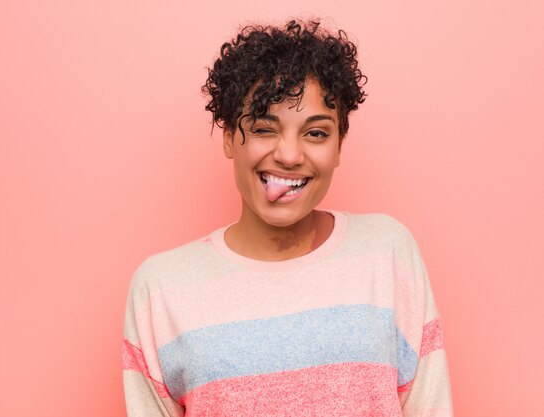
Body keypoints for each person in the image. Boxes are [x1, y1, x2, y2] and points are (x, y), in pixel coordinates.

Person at [122, 19, 453, 417]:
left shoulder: (387, 253)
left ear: (338, 146)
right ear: (228, 137)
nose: (290, 155)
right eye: (264, 128)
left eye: (316, 133)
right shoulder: (161, 289)